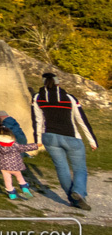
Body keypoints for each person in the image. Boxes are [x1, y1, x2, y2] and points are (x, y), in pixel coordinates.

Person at [31, 72, 99, 211]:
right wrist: (92, 140)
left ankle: (74, 199)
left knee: (62, 169)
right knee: (80, 169)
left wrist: (38, 140)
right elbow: (81, 120)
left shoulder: (37, 98)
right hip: (71, 137)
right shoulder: (69, 98)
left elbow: (37, 120)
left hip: (49, 137)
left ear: (44, 82)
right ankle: (78, 193)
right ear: (58, 82)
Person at [0, 122, 36, 199]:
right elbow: (23, 148)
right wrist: (35, 146)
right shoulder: (14, 144)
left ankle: (12, 194)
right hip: (15, 165)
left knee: (7, 180)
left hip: (3, 166)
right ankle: (24, 188)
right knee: (20, 177)